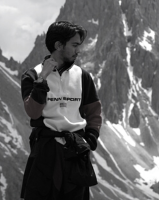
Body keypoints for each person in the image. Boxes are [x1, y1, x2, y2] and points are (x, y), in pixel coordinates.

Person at [20, 21, 102, 200]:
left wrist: (90, 140)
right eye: (74, 45)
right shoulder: (32, 76)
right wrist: (42, 80)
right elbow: (33, 112)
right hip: (45, 153)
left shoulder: (83, 77)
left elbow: (94, 112)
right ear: (58, 45)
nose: (78, 50)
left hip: (76, 153)